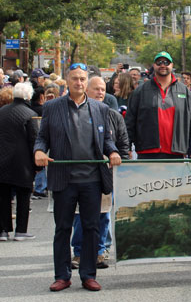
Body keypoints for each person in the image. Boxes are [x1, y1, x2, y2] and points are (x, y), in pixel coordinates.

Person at [34, 63, 121, 292]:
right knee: (62, 228)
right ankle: (62, 275)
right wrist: (39, 151)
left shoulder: (100, 109)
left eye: (83, 79)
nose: (79, 82)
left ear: (87, 82)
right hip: (64, 178)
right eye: (75, 78)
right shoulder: (52, 107)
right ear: (67, 80)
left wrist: (112, 152)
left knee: (92, 227)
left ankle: (88, 274)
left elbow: (108, 140)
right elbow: (42, 138)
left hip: (91, 179)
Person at [71, 76, 130, 270]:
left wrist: (121, 163)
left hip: (106, 174)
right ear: (86, 90)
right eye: (96, 89)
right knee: (81, 216)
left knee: (103, 215)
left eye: (103, 90)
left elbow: (123, 143)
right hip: (82, 173)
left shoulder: (113, 115)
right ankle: (79, 252)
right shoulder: (76, 113)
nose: (100, 93)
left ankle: (99, 251)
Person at [125, 51, 191, 160]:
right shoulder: (140, 91)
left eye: (166, 62)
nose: (162, 65)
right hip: (147, 152)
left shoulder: (184, 91)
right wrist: (126, 147)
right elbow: (129, 121)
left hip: (176, 153)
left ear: (172, 65)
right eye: (159, 62)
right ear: (154, 65)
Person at [0, 83, 39, 242]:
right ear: (28, 96)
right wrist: (37, 165)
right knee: (24, 196)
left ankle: (3, 230)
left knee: (3, 196)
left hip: (2, 160)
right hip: (23, 163)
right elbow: (34, 140)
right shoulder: (30, 114)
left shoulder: (1, 112)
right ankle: (20, 230)